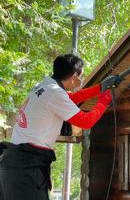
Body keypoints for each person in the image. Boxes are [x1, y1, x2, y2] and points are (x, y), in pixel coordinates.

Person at [0, 54, 121, 200]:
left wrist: (100, 87)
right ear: (74, 77)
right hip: (26, 168)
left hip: (16, 163)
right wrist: (104, 100)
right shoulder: (55, 93)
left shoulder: (45, 85)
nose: (81, 80)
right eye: (81, 76)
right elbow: (86, 121)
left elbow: (71, 98)